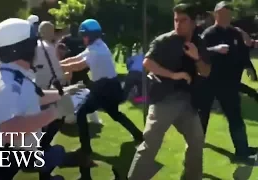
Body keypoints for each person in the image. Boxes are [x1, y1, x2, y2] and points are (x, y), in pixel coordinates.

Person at [0, 18, 74, 180]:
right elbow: (9, 130)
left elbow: (32, 97)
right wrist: (56, 112)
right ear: (25, 48)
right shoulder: (5, 84)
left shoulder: (11, 73)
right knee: (56, 155)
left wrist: (64, 93)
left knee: (55, 155)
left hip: (9, 159)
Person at [128, 4, 210, 180]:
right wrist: (173, 75)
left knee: (197, 141)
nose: (178, 24)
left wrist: (196, 58)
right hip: (164, 100)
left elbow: (206, 71)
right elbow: (147, 63)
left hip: (188, 102)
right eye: (176, 20)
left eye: (183, 20)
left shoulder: (198, 41)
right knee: (151, 144)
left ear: (193, 22)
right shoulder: (164, 41)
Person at [60, 19, 143, 180]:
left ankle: (85, 149)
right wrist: (59, 63)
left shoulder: (97, 50)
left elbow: (78, 66)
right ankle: (138, 135)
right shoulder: (96, 46)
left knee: (82, 112)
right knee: (114, 114)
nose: (82, 39)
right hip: (109, 87)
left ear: (89, 36)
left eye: (84, 36)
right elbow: (75, 59)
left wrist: (58, 66)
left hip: (104, 87)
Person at [200, 1, 257, 163]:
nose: (227, 17)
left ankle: (242, 151)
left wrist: (249, 67)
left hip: (230, 84)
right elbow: (199, 53)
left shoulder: (235, 33)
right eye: (223, 14)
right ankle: (195, 145)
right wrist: (215, 49)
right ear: (216, 14)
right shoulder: (208, 34)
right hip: (209, 82)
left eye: (229, 14)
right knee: (202, 116)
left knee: (235, 116)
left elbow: (243, 53)